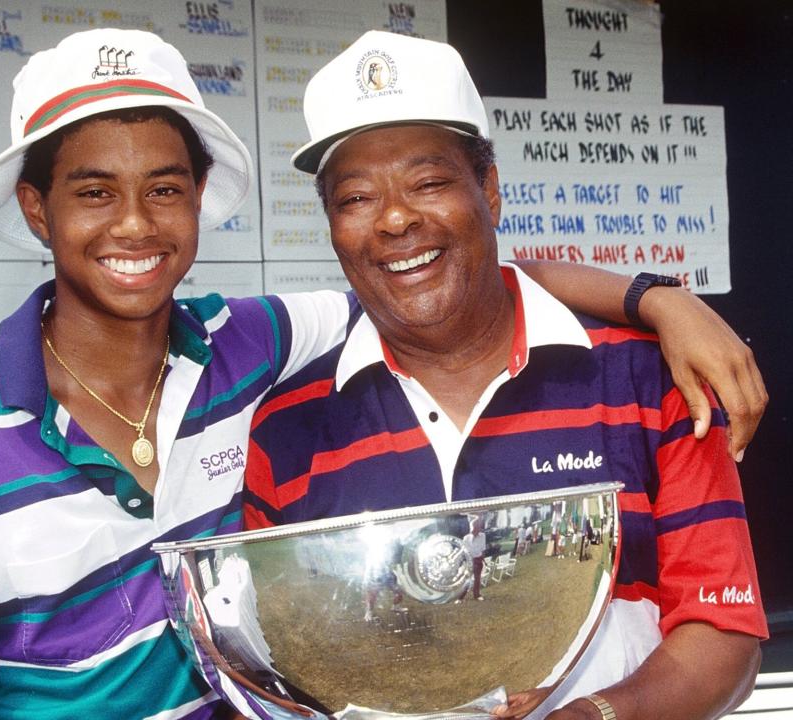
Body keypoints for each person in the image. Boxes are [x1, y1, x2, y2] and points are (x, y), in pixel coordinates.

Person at [0, 27, 763, 720]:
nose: (134, 224)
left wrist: (655, 298)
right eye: (94, 191)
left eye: (165, 189)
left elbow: (448, 283)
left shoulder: (246, 349)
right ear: (37, 209)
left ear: (490, 188)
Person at [244, 30, 767, 720]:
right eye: (356, 199)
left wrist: (597, 715)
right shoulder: (288, 428)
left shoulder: (651, 377)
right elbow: (274, 664)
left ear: (488, 190)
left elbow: (724, 628)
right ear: (332, 227)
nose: (396, 218)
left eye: (429, 183)